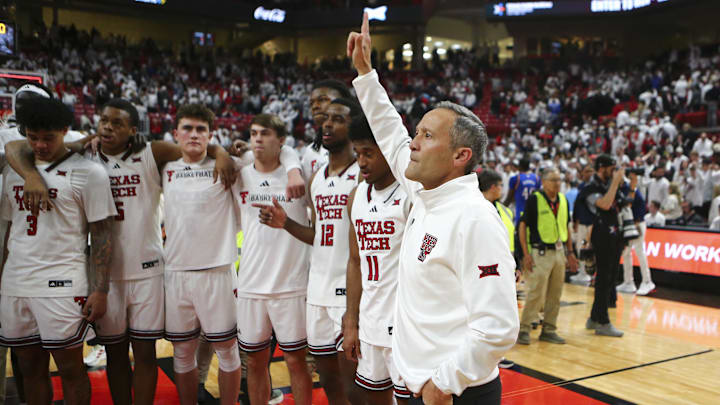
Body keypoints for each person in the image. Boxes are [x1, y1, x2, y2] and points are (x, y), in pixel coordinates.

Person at [5, 98, 242, 405]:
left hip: (148, 271)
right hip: (107, 276)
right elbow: (17, 148)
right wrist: (31, 175)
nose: (107, 126)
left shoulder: (151, 152)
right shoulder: (83, 151)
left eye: (117, 123)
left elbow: (194, 147)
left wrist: (220, 152)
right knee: (115, 354)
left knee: (144, 354)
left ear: (132, 130)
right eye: (104, 120)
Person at [349, 13, 518, 404]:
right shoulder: (426, 193)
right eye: (417, 133)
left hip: (454, 392)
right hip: (420, 385)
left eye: (426, 135)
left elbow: (498, 327)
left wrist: (443, 384)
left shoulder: (474, 217)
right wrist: (364, 73)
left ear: (461, 155)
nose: (413, 143)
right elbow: (391, 133)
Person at [0, 97, 117, 404]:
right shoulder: (15, 171)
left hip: (62, 284)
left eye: (48, 138)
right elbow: (11, 229)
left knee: (70, 369)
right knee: (29, 367)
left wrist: (101, 290)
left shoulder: (90, 172)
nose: (39, 144)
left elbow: (103, 234)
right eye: (33, 137)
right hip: (16, 282)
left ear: (66, 130)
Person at [255, 98, 363, 405]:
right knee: (328, 378)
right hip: (317, 288)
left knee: (353, 381)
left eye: (338, 119)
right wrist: (286, 223)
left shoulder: (363, 174)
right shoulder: (317, 178)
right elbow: (319, 235)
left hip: (350, 290)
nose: (327, 124)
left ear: (353, 126)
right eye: (325, 119)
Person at [161, 104, 243, 405]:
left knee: (227, 350)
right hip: (176, 273)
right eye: (188, 128)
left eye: (201, 130)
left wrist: (221, 153)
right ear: (175, 134)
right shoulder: (165, 169)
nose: (194, 135)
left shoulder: (227, 167)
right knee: (182, 353)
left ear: (210, 135)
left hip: (217, 272)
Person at [236, 114, 313, 405]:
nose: (257, 138)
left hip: (291, 284)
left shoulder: (299, 173)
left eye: (265, 133)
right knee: (254, 363)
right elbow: (223, 154)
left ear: (280, 141)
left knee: (296, 362)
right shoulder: (239, 173)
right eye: (253, 133)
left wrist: (292, 167)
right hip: (251, 285)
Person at [342, 114, 412, 405]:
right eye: (357, 153)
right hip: (371, 317)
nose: (361, 162)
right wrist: (351, 321)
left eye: (369, 153)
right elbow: (355, 261)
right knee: (373, 396)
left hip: (405, 322)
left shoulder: (410, 196)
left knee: (411, 397)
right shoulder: (356, 196)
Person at [516, 169, 577, 345]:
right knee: (536, 293)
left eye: (559, 179)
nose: (558, 183)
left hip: (559, 252)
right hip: (540, 253)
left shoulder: (563, 200)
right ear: (544, 182)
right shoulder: (535, 199)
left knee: (555, 294)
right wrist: (526, 254)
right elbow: (522, 226)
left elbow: (567, 227)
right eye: (553, 180)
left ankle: (549, 329)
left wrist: (571, 253)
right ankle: (525, 329)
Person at [578, 154, 625, 338]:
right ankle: (603, 321)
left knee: (610, 278)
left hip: (614, 234)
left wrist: (632, 184)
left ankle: (594, 317)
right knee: (603, 278)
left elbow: (624, 201)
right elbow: (605, 204)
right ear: (601, 168)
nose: (614, 171)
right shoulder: (590, 188)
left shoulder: (609, 185)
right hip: (600, 235)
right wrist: (615, 183)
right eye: (611, 168)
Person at [477, 169, 517, 369]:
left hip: (504, 265)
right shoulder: (474, 207)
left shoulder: (504, 210)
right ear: (493, 187)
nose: (502, 189)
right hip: (482, 267)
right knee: (483, 312)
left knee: (500, 312)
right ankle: (482, 356)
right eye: (500, 185)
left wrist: (514, 262)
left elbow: (511, 238)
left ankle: (496, 356)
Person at [302, 80, 353, 177]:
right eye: (311, 103)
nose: (315, 106)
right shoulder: (311, 151)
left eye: (322, 100)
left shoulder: (362, 145)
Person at [617, 174, 656, 296]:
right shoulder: (619, 189)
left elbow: (638, 205)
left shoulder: (631, 188)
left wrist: (637, 221)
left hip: (637, 224)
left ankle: (647, 281)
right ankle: (628, 282)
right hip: (628, 224)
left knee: (639, 251)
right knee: (626, 253)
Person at [571, 164, 595, 284]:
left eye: (591, 171)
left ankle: (591, 273)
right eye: (586, 171)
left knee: (591, 248)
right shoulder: (581, 186)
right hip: (582, 222)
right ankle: (582, 272)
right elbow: (577, 205)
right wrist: (575, 220)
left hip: (592, 223)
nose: (588, 173)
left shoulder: (596, 186)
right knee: (580, 247)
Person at [505, 157, 540, 224]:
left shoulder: (515, 178)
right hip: (534, 213)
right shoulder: (536, 178)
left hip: (521, 213)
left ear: (519, 166)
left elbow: (509, 199)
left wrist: (500, 207)